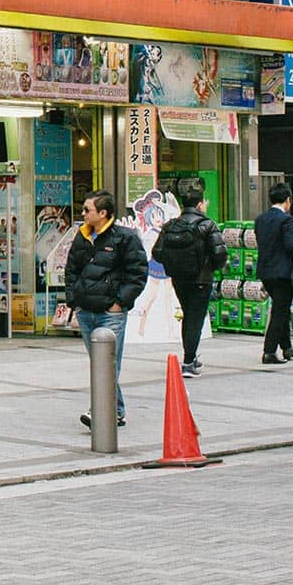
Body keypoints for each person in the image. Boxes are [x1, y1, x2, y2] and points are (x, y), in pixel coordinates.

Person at [64, 189, 148, 428]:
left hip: (110, 314)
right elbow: (71, 269)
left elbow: (138, 274)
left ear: (103, 213)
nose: (83, 214)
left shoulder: (125, 238)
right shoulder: (82, 236)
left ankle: (101, 410)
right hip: (86, 310)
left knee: (108, 363)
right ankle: (116, 409)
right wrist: (74, 299)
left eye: (87, 210)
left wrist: (119, 303)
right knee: (98, 362)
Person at [155, 176, 225, 377]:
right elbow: (219, 253)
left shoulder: (171, 225)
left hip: (178, 278)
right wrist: (211, 267)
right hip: (201, 279)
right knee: (195, 317)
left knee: (189, 314)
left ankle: (191, 357)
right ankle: (188, 362)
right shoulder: (207, 225)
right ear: (200, 204)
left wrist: (174, 264)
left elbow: (157, 252)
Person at [254, 182, 293, 366]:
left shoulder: (260, 219)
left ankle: (287, 347)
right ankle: (269, 351)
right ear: (288, 200)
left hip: (265, 271)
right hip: (282, 273)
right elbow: (290, 246)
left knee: (282, 308)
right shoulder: (286, 220)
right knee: (280, 312)